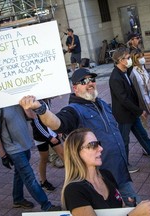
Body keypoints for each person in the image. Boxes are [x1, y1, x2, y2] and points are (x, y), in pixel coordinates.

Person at [19, 68, 141, 206]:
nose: (90, 83)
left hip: (121, 174)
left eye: (92, 80)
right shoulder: (73, 110)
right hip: (99, 180)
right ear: (75, 88)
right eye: (84, 81)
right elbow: (57, 123)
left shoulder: (102, 104)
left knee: (134, 206)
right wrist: (41, 109)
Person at [61, 128, 150, 216]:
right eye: (93, 145)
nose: (101, 148)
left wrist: (131, 207)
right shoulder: (74, 190)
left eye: (99, 143)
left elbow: (120, 207)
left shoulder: (106, 175)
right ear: (76, 153)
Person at [0, 105, 61, 211]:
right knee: (30, 178)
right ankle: (46, 205)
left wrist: (26, 107)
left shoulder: (17, 102)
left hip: (25, 145)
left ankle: (17, 199)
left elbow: (33, 117)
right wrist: (3, 155)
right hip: (14, 149)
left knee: (19, 174)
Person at [109, 48, 150, 173]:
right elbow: (124, 99)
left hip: (132, 113)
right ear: (120, 60)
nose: (129, 60)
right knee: (124, 141)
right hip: (123, 116)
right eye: (127, 58)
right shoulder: (115, 77)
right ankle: (124, 165)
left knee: (142, 135)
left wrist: (137, 110)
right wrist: (139, 111)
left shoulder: (125, 72)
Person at [30, 98, 64, 191]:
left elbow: (49, 116)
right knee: (44, 159)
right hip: (41, 137)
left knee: (64, 155)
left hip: (52, 133)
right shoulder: (34, 102)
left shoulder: (46, 100)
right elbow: (36, 123)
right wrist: (49, 137)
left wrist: (57, 129)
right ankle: (43, 181)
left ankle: (73, 178)